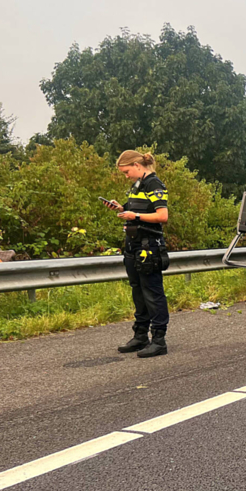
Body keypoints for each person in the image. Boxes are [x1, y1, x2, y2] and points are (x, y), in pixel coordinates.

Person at [110, 151, 171, 357]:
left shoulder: (154, 184)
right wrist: (122, 208)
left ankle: (159, 340)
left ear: (137, 165)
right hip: (133, 245)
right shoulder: (137, 184)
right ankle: (140, 335)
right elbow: (140, 209)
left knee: (152, 293)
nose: (126, 176)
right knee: (138, 291)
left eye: (127, 171)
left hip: (149, 246)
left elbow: (162, 216)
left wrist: (134, 215)